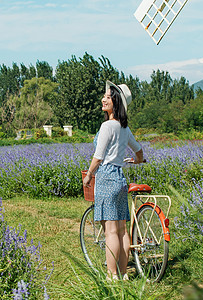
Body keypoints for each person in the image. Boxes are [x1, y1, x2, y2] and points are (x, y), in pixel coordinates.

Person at [83, 80, 144, 281]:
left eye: (108, 97)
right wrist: (137, 161)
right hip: (119, 178)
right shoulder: (124, 128)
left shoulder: (107, 126)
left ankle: (112, 276)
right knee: (121, 230)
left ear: (115, 102)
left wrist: (90, 174)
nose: (103, 99)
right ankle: (124, 273)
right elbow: (139, 150)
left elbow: (98, 156)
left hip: (106, 178)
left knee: (110, 231)